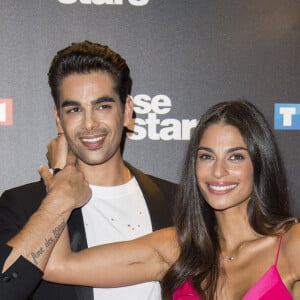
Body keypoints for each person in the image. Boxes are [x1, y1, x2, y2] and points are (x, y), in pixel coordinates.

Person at [43, 100, 300, 299]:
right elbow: (57, 265)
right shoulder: (177, 249)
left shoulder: (291, 244)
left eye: (236, 157)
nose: (218, 172)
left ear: (259, 162)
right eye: (206, 157)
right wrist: (61, 177)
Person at [0, 40, 176, 300]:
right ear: (59, 119)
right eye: (74, 110)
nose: (90, 123)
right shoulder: (23, 204)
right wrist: (59, 197)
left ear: (127, 111)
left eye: (103, 106)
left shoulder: (178, 202)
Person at [0, 151, 91, 300]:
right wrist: (60, 195)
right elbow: (6, 285)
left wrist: (59, 172)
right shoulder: (20, 200)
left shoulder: (144, 188)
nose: (90, 125)